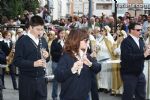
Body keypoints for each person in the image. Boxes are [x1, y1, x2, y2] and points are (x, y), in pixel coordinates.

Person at [54, 29, 101, 100]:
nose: (88, 42)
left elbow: (98, 68)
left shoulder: (87, 56)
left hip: (85, 96)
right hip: (69, 97)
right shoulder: (66, 57)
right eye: (85, 40)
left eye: (88, 40)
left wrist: (90, 64)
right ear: (77, 40)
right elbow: (58, 76)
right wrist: (72, 70)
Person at [13, 15, 49, 100]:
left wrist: (47, 56)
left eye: (42, 29)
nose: (40, 32)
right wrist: (33, 64)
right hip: (27, 81)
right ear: (30, 27)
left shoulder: (43, 40)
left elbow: (47, 59)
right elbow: (17, 61)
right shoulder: (22, 41)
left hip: (41, 80)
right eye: (38, 29)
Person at [120, 22, 150, 100]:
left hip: (139, 73)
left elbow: (143, 57)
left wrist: (148, 54)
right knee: (128, 96)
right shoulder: (126, 42)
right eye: (138, 30)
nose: (140, 31)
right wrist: (143, 55)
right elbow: (127, 57)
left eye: (141, 30)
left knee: (141, 95)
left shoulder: (140, 41)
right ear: (131, 30)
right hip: (129, 73)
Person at [50, 28, 66, 100]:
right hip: (56, 62)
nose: (63, 35)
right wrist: (61, 54)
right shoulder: (55, 41)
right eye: (61, 33)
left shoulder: (66, 41)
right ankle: (54, 96)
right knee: (56, 81)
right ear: (58, 34)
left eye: (64, 33)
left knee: (64, 81)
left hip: (64, 64)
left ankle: (63, 96)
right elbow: (52, 53)